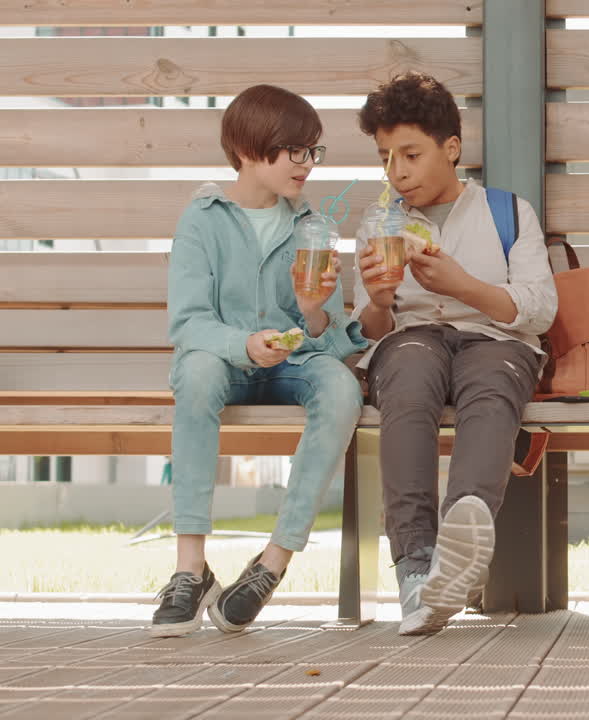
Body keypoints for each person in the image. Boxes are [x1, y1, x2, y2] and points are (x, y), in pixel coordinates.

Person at [154, 84, 366, 638]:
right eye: (296, 150)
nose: (308, 164)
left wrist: (313, 312)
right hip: (225, 365)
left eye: (313, 151)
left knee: (341, 388)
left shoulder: (312, 226)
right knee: (197, 371)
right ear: (250, 149)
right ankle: (190, 569)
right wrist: (244, 345)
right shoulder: (202, 220)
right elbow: (188, 324)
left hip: (292, 367)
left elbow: (329, 338)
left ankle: (272, 563)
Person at [352, 73, 556, 635]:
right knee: (408, 378)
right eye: (386, 158)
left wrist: (462, 285)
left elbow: (540, 310)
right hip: (410, 340)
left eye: (411, 154)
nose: (397, 172)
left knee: (492, 389)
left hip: (496, 340)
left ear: (451, 148)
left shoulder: (508, 212)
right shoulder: (379, 223)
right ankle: (416, 569)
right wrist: (379, 300)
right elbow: (366, 332)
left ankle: (456, 554)